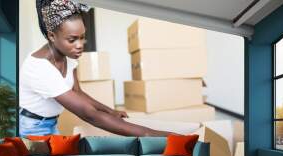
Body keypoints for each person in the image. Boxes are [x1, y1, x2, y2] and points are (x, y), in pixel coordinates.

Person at [19, 0, 180, 137]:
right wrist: (149, 134)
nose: (80, 45)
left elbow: (77, 92)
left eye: (82, 37)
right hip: (32, 127)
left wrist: (111, 111)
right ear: (52, 36)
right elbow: (90, 115)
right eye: (72, 39)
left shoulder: (68, 55)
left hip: (51, 122)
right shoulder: (39, 68)